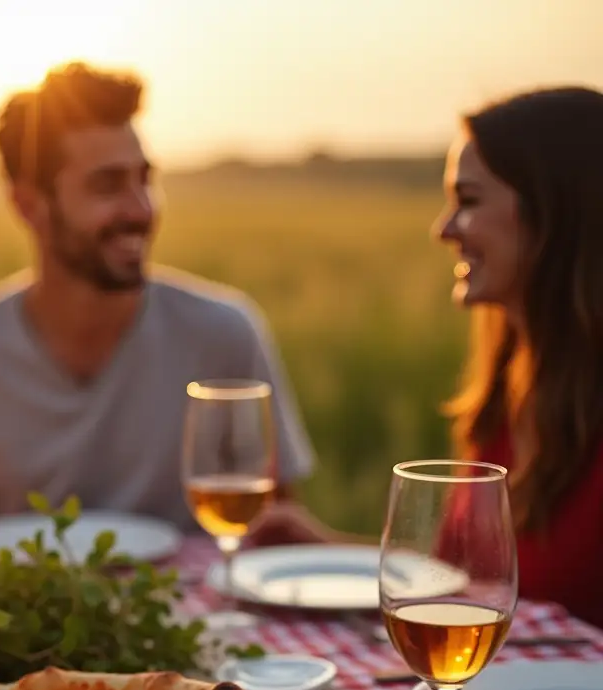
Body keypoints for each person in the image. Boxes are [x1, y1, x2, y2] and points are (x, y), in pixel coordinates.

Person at [0, 62, 315, 534]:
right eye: (107, 185)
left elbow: (272, 531)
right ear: (29, 206)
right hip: (28, 585)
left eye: (145, 180)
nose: (142, 209)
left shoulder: (224, 332)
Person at [254, 86, 603, 628]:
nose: (443, 229)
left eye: (468, 201)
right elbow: (467, 582)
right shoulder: (510, 385)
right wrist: (329, 548)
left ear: (553, 212)